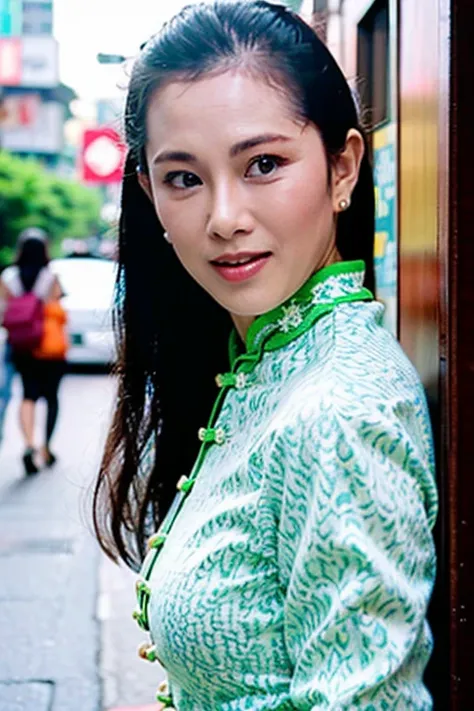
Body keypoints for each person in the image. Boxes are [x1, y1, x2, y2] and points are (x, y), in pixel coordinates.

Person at [93, 2, 438, 709]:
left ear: (342, 167)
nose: (224, 218)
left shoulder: (340, 409)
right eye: (183, 178)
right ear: (148, 194)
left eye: (264, 164)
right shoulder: (261, 361)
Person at [0, 228, 67, 475]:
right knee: (51, 397)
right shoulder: (51, 278)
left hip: (20, 346)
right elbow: (57, 312)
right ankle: (46, 447)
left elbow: (2, 313)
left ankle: (28, 444)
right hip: (49, 348)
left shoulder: (8, 277)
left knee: (27, 395)